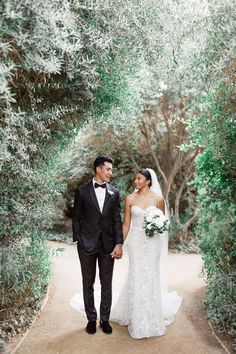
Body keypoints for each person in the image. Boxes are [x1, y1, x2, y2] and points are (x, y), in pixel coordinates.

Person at [111, 168, 182, 339]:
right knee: (137, 273)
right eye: (135, 179)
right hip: (135, 242)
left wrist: (154, 229)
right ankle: (136, 315)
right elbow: (126, 224)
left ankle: (150, 315)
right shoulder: (130, 198)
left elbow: (163, 224)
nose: (136, 181)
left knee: (150, 275)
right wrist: (119, 244)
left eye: (139, 179)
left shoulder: (158, 199)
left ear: (148, 181)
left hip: (152, 244)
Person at [73, 155, 123, 335]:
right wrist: (79, 239)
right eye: (108, 169)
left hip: (108, 245)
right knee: (88, 282)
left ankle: (105, 318)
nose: (111, 172)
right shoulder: (82, 191)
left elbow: (117, 220)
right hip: (86, 244)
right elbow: (76, 217)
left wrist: (118, 243)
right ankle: (91, 319)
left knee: (107, 283)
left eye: (111, 169)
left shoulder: (114, 193)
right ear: (98, 169)